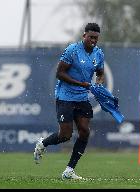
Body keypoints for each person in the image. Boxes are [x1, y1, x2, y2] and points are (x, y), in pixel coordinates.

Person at [33, 23, 104, 180]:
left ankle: (69, 171)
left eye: (96, 38)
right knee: (65, 135)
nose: (93, 40)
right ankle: (43, 143)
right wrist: (81, 84)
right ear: (84, 36)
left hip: (82, 98)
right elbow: (60, 73)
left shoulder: (98, 54)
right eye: (91, 37)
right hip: (65, 96)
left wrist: (98, 85)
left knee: (85, 131)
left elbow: (100, 73)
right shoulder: (72, 50)